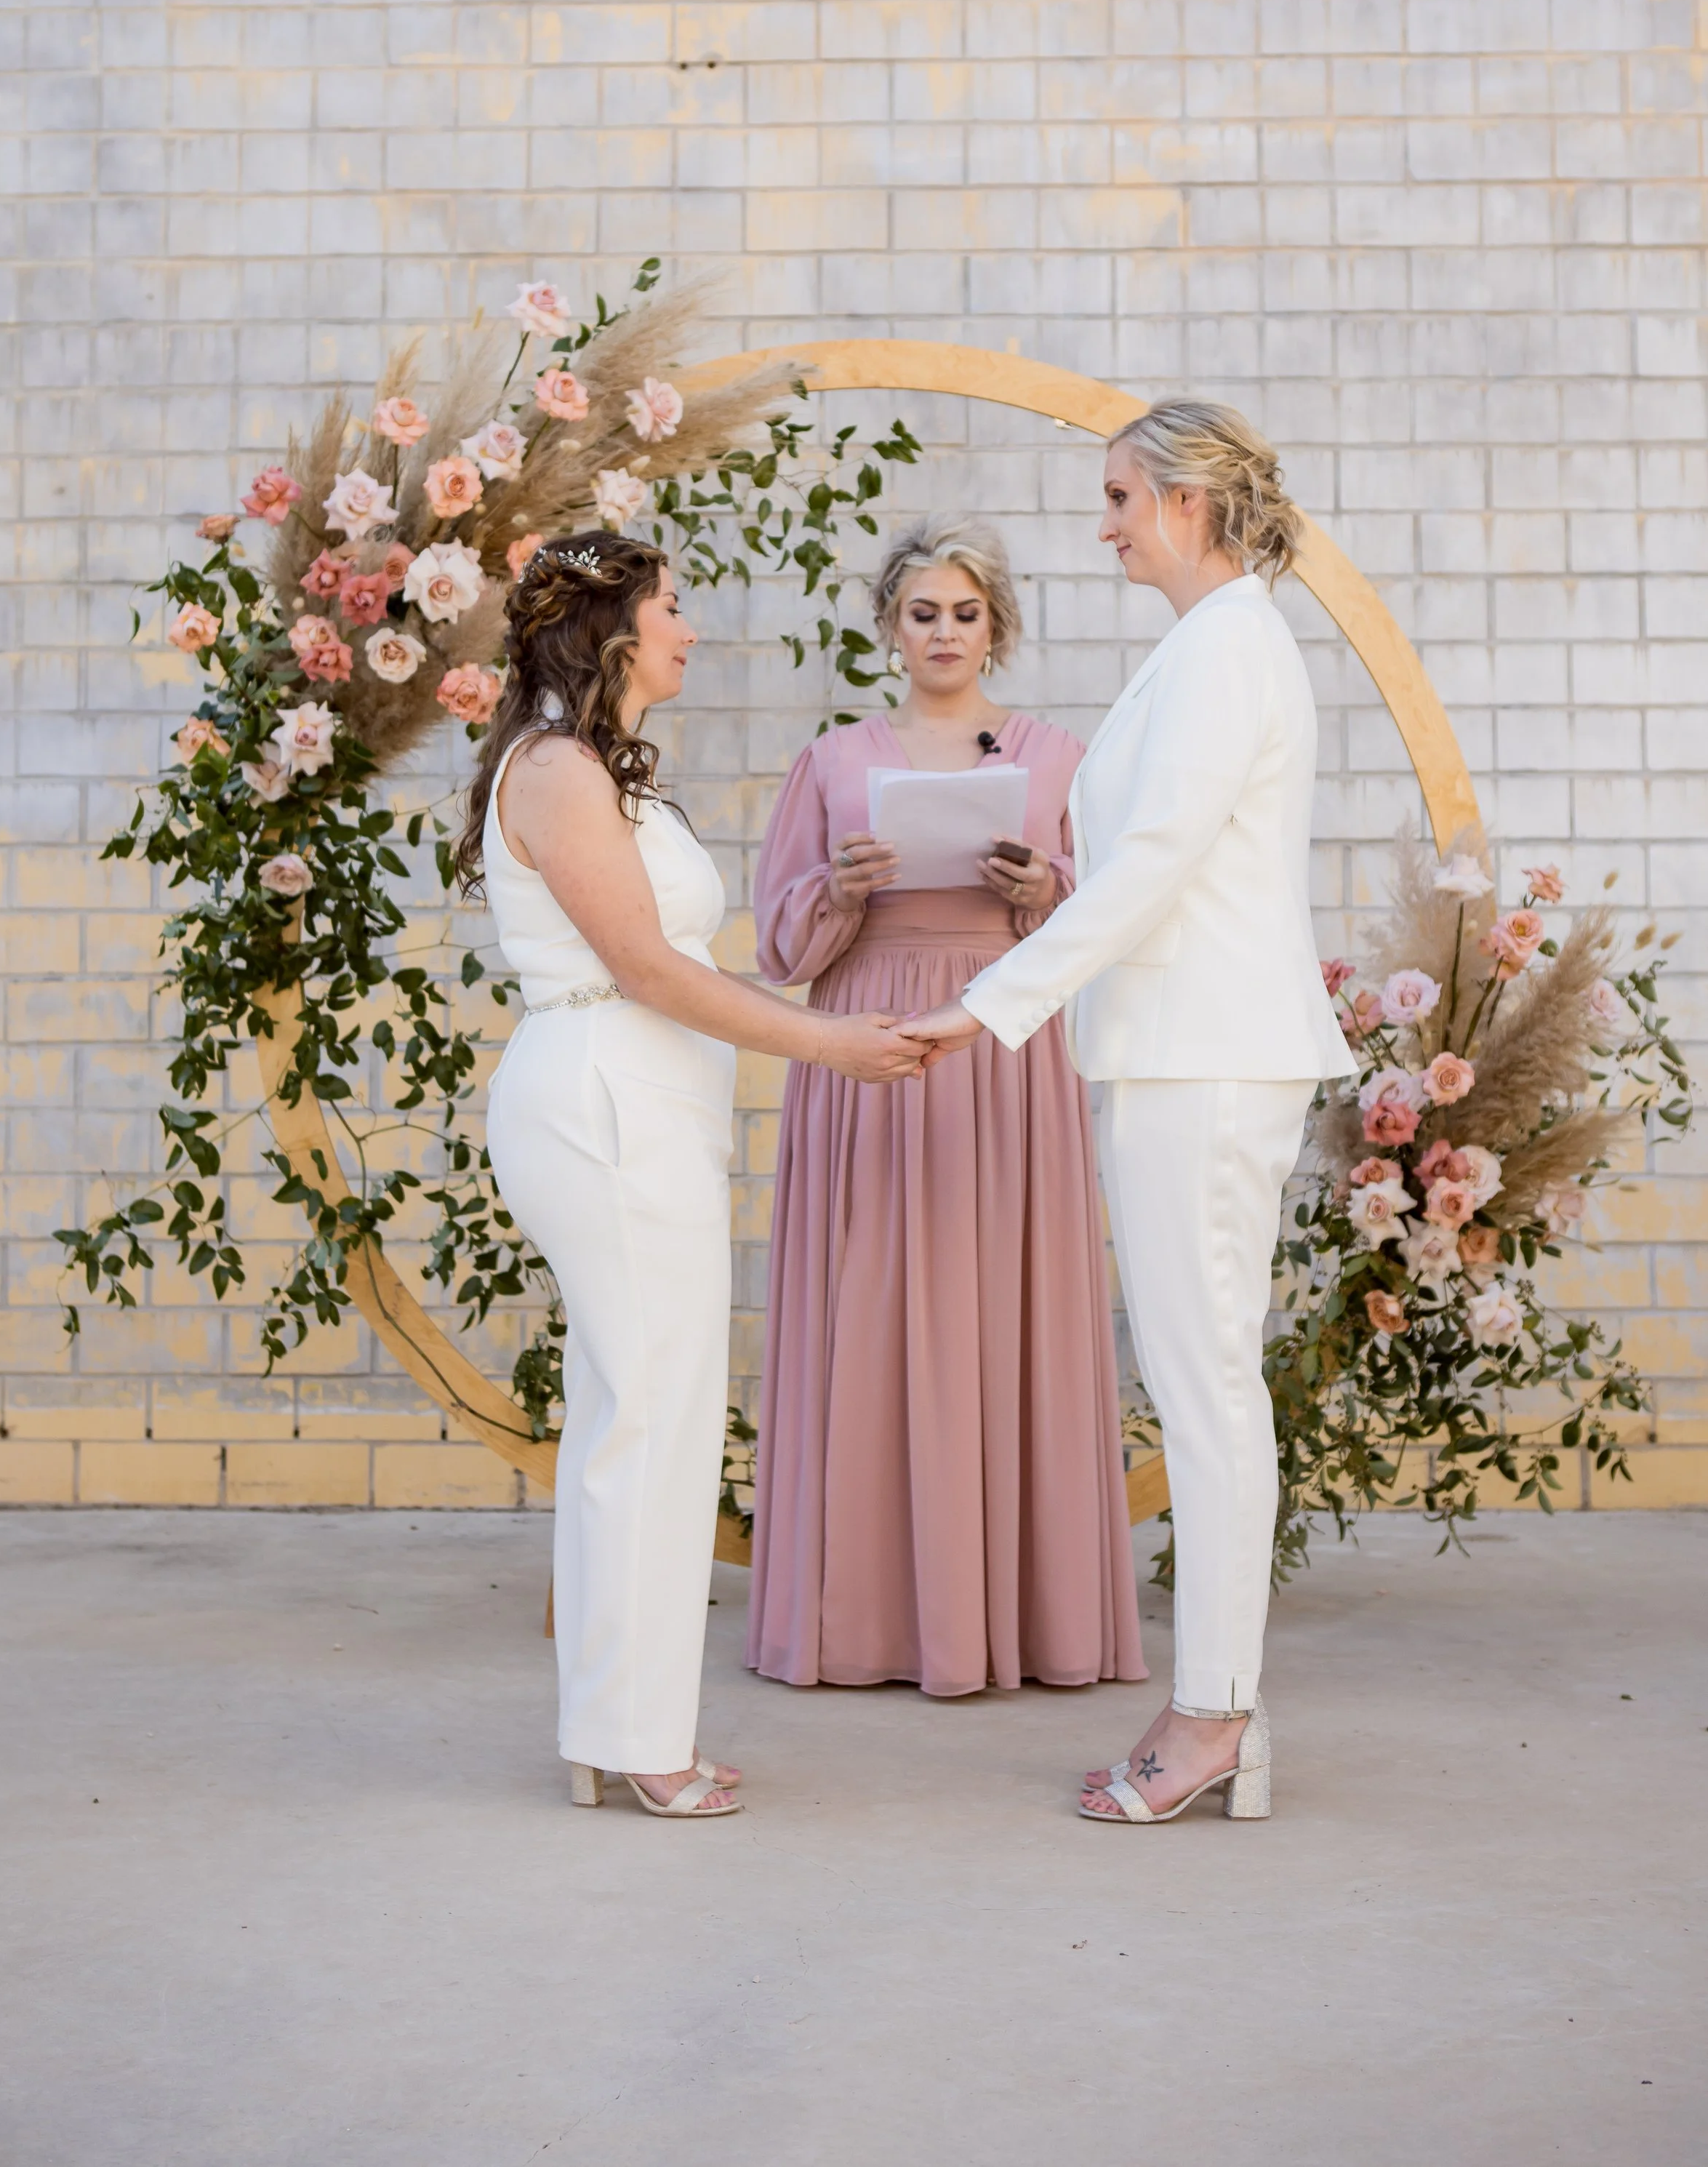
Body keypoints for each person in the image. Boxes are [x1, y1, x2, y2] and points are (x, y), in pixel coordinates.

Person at [905, 410, 1356, 1822]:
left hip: (1204, 1061)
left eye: (1115, 497)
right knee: (1198, 1377)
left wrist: (985, 1006)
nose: (1100, 524)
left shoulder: (1226, 647)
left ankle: (1214, 1714)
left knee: (1205, 1386)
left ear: (1183, 499)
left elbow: (1154, 858)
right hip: (1178, 1053)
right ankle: (1224, 1712)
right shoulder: (1210, 643)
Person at [456, 534, 924, 1819]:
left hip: (642, 1104)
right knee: (653, 1417)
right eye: (671, 606)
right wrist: (829, 1042)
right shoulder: (553, 767)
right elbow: (653, 969)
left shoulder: (596, 768)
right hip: (604, 1097)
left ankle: (621, 1726)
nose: (691, 628)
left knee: (643, 1413)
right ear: (610, 625)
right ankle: (636, 1736)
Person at [745, 516, 1148, 1698]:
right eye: (923, 611)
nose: (944, 632)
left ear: (997, 626)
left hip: (1003, 1046)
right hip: (865, 1037)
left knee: (1001, 1301)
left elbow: (1112, 914)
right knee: (866, 1299)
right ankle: (862, 1618)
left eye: (966, 612)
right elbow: (777, 942)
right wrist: (840, 887)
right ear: (890, 625)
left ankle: (1024, 1622)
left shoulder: (1061, 763)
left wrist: (1045, 889)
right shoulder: (832, 762)